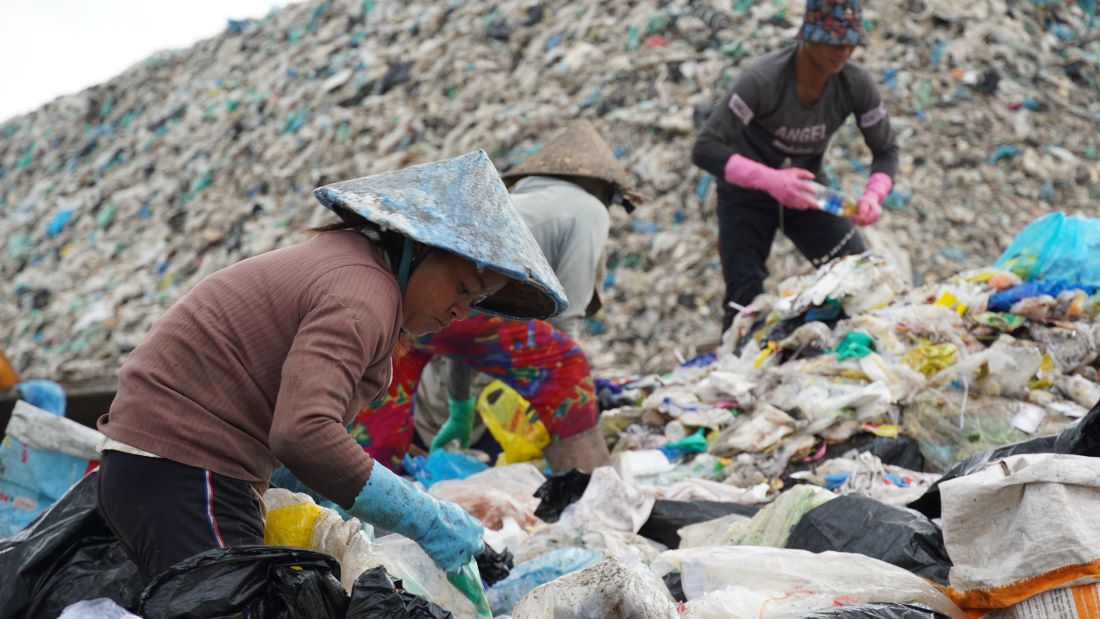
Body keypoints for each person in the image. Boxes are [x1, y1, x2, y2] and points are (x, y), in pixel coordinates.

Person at [94, 151, 569, 583]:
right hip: (182, 469)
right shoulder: (363, 294)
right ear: (419, 248)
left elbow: (294, 434)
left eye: (475, 301)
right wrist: (428, 519)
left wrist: (351, 511)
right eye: (460, 288)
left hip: (168, 468)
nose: (460, 312)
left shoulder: (358, 275)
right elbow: (303, 433)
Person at [349, 120, 646, 474]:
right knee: (568, 365)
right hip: (464, 301)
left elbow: (467, 329)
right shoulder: (589, 208)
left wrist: (460, 405)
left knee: (392, 385)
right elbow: (566, 313)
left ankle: (364, 488)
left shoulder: (522, 198)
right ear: (604, 188)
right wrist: (557, 381)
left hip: (422, 293)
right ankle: (585, 487)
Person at [691, 0, 899, 332]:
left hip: (808, 195)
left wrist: (874, 195)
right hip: (745, 197)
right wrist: (770, 180)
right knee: (743, 298)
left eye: (850, 43)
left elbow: (886, 150)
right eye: (833, 42)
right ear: (808, 36)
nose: (843, 51)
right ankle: (736, 367)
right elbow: (705, 149)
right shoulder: (763, 80)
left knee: (858, 274)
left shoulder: (855, 84)